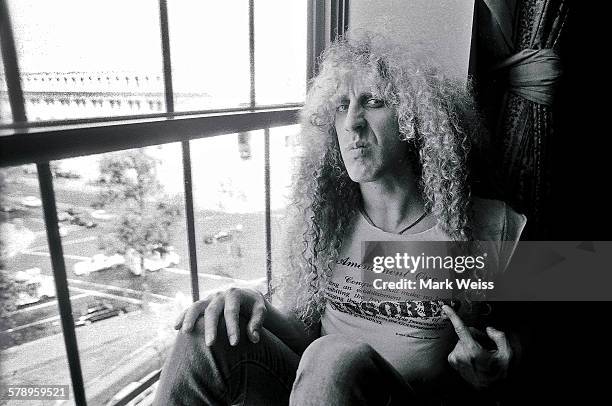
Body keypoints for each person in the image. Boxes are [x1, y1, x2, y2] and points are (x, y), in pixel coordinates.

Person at [153, 31, 527, 406]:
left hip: (408, 398)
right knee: (206, 330)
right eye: (340, 105)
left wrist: (492, 370)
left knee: (335, 356)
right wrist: (257, 306)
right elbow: (306, 342)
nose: (352, 122)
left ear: (416, 120)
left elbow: (535, 344)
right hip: (319, 392)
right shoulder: (325, 221)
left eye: (374, 102)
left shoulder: (492, 225)